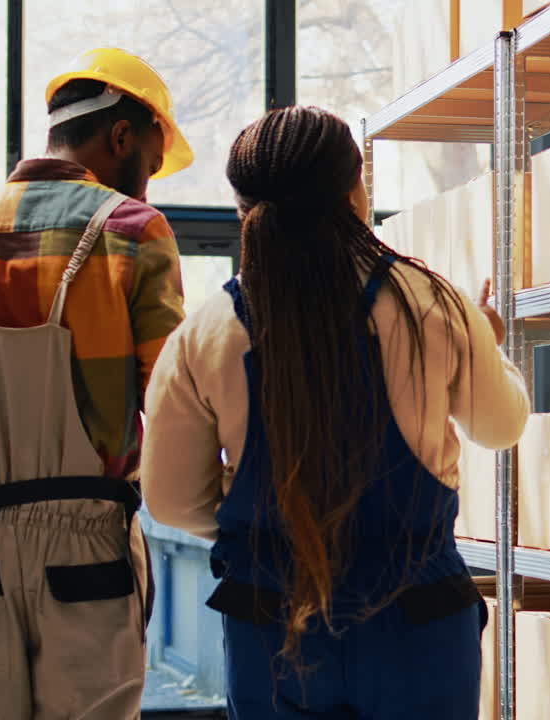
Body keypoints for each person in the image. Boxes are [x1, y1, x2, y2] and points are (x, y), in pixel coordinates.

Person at [140, 106, 530, 719]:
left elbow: (168, 501)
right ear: (356, 189)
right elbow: (501, 427)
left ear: (243, 208)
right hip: (417, 622)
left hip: (273, 626)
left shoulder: (206, 333)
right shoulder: (429, 302)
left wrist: (276, 524)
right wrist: (487, 340)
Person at [0, 48, 191, 719]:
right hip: (86, 540)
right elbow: (171, 401)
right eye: (151, 161)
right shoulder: (133, 231)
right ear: (121, 136)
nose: (147, 183)